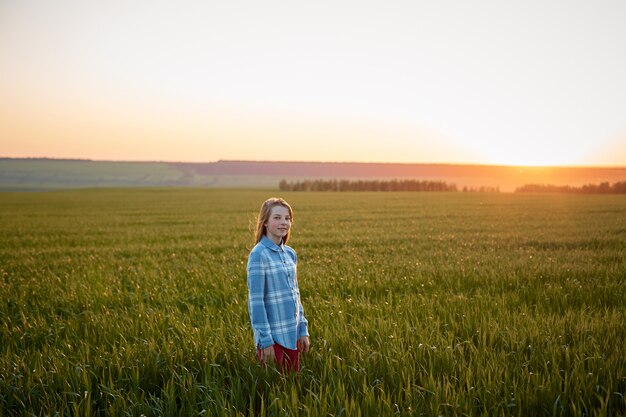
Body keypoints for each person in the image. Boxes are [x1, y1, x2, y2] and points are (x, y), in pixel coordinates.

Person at [247, 197, 310, 372]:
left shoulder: (290, 254)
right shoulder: (259, 255)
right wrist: (265, 341)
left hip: (292, 336)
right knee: (275, 392)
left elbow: (296, 295)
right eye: (277, 218)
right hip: (273, 341)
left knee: (292, 389)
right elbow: (256, 303)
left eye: (287, 218)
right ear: (265, 222)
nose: (283, 223)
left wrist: (303, 330)